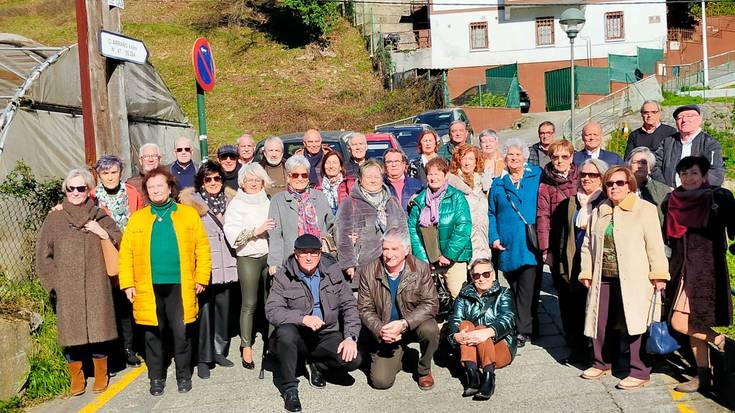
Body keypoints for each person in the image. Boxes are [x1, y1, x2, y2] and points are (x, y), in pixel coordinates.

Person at [119, 166, 211, 396]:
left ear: (170, 188)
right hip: (147, 286)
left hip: (180, 284)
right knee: (152, 334)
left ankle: (183, 375)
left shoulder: (187, 214)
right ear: (146, 192)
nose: (156, 190)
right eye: (151, 187)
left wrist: (201, 277)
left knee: (181, 332)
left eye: (160, 185)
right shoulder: (138, 219)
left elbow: (202, 247)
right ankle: (156, 377)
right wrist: (128, 283)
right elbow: (126, 253)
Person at [578, 165, 669, 390]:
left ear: (629, 185)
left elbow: (655, 245)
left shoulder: (644, 209)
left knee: (635, 322)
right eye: (609, 184)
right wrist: (586, 271)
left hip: (636, 278)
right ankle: (602, 363)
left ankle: (639, 370)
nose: (614, 187)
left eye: (620, 183)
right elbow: (588, 244)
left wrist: (659, 275)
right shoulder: (600, 210)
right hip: (604, 276)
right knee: (601, 321)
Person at [36, 168, 122, 396]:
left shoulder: (98, 214)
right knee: (70, 335)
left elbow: (119, 237)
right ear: (65, 190)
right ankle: (77, 377)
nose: (75, 192)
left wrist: (100, 231)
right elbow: (43, 256)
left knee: (99, 330)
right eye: (71, 188)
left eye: (81, 188)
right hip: (67, 287)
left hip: (96, 283)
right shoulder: (54, 217)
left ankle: (101, 374)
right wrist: (55, 285)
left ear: (88, 190)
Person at [265, 234, 362, 413]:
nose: (309, 257)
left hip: (327, 333)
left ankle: (315, 363)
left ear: (320, 254)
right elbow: (272, 310)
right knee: (285, 333)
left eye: (313, 253)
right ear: (296, 254)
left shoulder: (333, 271)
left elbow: (349, 305)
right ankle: (290, 389)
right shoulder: (283, 276)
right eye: (303, 253)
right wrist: (303, 319)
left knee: (353, 361)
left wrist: (350, 337)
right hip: (299, 335)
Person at [663, 156, 733, 393]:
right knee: (690, 322)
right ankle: (704, 374)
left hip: (707, 269)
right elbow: (667, 237)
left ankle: (721, 347)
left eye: (693, 173)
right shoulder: (671, 200)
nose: (688, 178)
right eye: (683, 174)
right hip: (682, 268)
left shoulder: (717, 198)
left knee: (682, 322)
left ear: (703, 176)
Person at [356, 228, 439, 390]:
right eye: (385, 249)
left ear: (406, 250)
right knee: (381, 382)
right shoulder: (369, 271)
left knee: (430, 329)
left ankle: (424, 370)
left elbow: (431, 303)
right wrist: (381, 330)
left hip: (411, 325)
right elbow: (364, 308)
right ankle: (404, 354)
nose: (388, 254)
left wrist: (404, 323)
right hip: (386, 329)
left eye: (394, 249)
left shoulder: (420, 268)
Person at [179, 162, 239, 379]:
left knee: (223, 312)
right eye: (208, 179)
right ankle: (204, 358)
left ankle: (219, 351)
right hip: (205, 266)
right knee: (204, 313)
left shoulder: (232, 201)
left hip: (228, 265)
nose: (213, 183)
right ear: (201, 181)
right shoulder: (191, 205)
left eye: (217, 179)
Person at [488, 138, 542, 347]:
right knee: (515, 284)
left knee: (527, 288)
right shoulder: (498, 183)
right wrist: (494, 237)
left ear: (524, 157)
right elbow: (491, 213)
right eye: (510, 155)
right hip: (507, 244)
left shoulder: (535, 176)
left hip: (529, 242)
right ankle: (531, 324)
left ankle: (523, 330)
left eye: (518, 155)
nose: (514, 158)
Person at [554, 158, 609, 359]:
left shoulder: (606, 202)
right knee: (573, 308)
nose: (586, 178)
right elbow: (559, 234)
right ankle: (577, 349)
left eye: (592, 175)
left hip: (598, 265)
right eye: (583, 174)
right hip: (572, 263)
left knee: (596, 309)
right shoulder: (570, 203)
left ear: (602, 178)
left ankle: (600, 353)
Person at [93, 155, 145, 367]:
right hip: (106, 255)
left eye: (114, 172)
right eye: (105, 173)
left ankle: (130, 347)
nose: (110, 177)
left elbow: (141, 217)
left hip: (131, 252)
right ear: (99, 175)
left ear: (120, 173)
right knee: (112, 304)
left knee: (130, 301)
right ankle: (116, 350)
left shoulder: (131, 193)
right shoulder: (92, 196)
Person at [223, 163, 274, 370]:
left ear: (263, 182)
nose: (253, 183)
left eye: (257, 180)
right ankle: (246, 345)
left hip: (269, 256)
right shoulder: (236, 204)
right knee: (250, 303)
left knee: (271, 301)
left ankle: (273, 343)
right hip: (248, 257)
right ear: (242, 182)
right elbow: (232, 235)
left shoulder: (269, 201)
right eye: (249, 180)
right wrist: (256, 230)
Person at [447, 258, 517, 400]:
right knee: (465, 324)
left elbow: (508, 318)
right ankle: (472, 374)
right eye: (476, 275)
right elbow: (455, 319)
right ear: (472, 277)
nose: (481, 278)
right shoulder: (463, 296)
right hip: (471, 353)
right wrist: (455, 336)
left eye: (486, 274)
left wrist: (487, 332)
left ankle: (488, 376)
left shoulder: (504, 293)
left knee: (480, 327)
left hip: (499, 348)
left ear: (493, 275)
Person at [408, 157, 472, 298]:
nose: (433, 177)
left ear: (445, 175)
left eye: (437, 173)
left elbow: (463, 227)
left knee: (458, 295)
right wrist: (423, 260)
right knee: (429, 299)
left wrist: (448, 255)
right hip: (428, 261)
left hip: (454, 258)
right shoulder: (419, 201)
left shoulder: (457, 197)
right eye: (430, 174)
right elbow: (413, 231)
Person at [335, 160, 406, 288]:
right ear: (361, 179)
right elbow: (342, 235)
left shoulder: (392, 202)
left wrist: (406, 257)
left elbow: (403, 231)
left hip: (391, 268)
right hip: (361, 270)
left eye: (377, 176)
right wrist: (348, 264)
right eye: (368, 177)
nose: (373, 180)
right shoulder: (350, 203)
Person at [267, 155, 335, 274]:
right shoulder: (278, 200)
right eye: (295, 175)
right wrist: (274, 262)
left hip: (319, 257)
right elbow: (275, 235)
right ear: (288, 177)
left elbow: (332, 224)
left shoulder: (320, 196)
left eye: (304, 175)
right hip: (292, 259)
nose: (300, 178)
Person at [652, 104, 725, 188]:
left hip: (699, 195)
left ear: (699, 120)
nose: (684, 120)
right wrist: (665, 189)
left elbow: (716, 172)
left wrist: (698, 192)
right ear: (676, 123)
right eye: (680, 117)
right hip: (670, 195)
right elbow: (655, 166)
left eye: (689, 116)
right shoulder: (667, 142)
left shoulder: (710, 143)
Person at [537, 139, 578, 267]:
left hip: (580, 237)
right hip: (558, 240)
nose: (560, 161)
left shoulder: (582, 178)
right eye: (555, 157)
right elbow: (543, 217)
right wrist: (545, 250)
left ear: (571, 158)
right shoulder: (545, 185)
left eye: (564, 157)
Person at [447, 144, 492, 261]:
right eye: (463, 158)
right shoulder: (452, 184)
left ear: (476, 162)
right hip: (463, 244)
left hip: (483, 241)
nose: (467, 163)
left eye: (471, 159)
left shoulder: (483, 183)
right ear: (458, 161)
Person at [628, 146, 671, 225]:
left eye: (643, 163)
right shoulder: (623, 187)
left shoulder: (662, 190)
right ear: (629, 166)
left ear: (650, 168)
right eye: (636, 162)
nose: (640, 166)